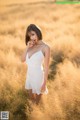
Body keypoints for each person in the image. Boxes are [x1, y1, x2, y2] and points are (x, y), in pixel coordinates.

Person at [21, 24, 50, 104]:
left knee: (37, 103)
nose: (32, 38)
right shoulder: (31, 46)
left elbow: (46, 67)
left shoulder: (45, 47)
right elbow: (22, 60)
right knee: (31, 100)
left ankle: (38, 115)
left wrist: (44, 83)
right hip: (29, 76)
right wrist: (27, 47)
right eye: (29, 36)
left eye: (33, 34)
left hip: (38, 77)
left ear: (38, 32)